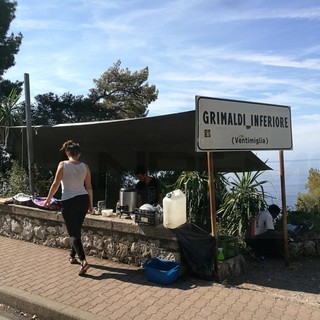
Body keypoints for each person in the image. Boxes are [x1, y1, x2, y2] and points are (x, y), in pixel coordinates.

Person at [44, 140, 93, 276]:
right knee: (76, 230)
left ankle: (83, 260)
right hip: (83, 200)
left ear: (67, 153)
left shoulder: (63, 165)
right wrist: (91, 205)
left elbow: (55, 184)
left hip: (69, 201)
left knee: (73, 233)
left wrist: (48, 200)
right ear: (79, 154)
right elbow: (89, 187)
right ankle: (72, 256)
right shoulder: (85, 167)